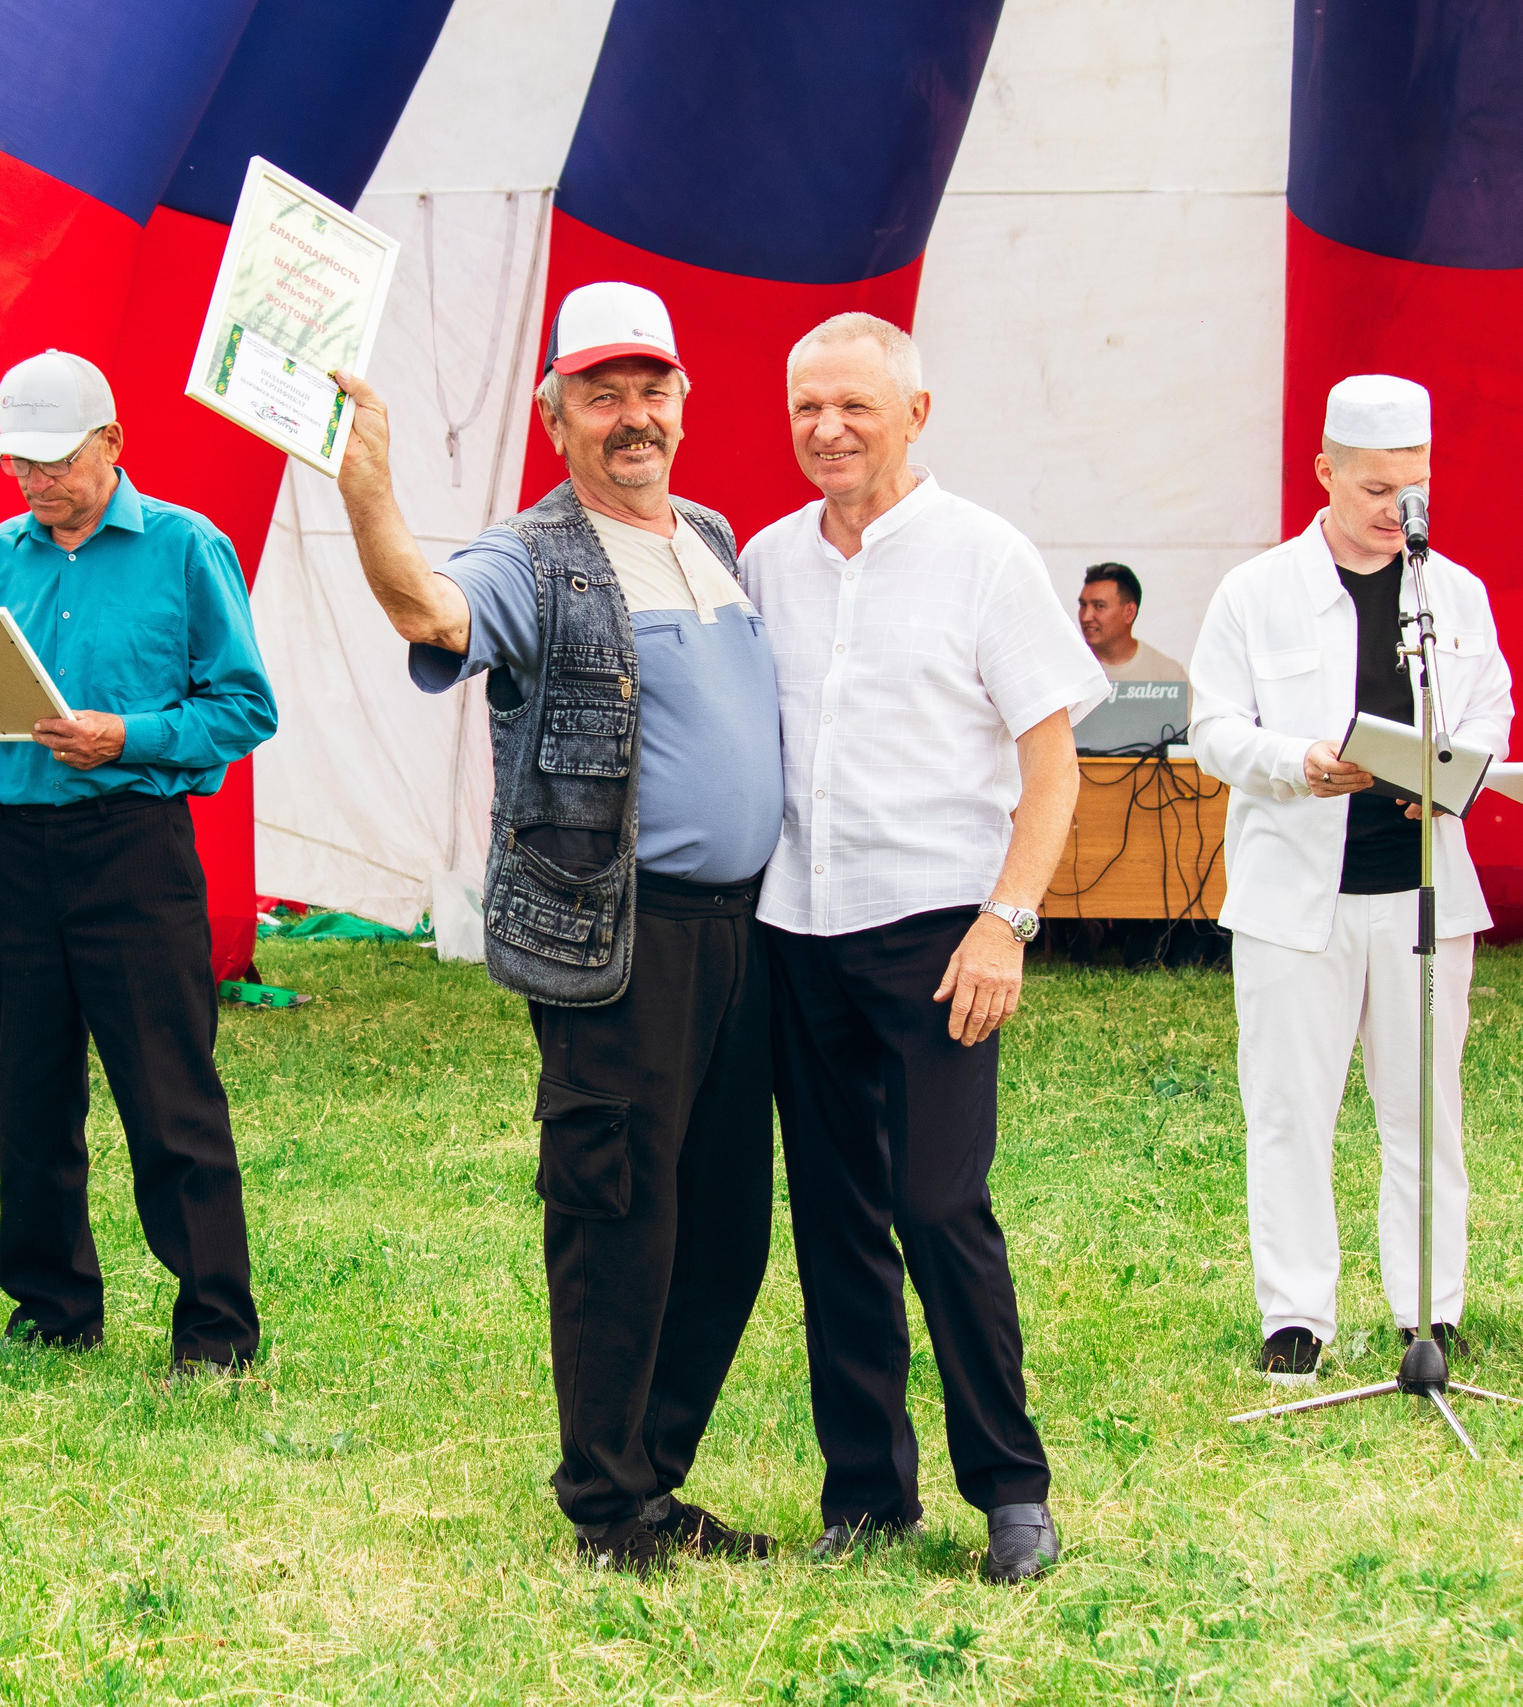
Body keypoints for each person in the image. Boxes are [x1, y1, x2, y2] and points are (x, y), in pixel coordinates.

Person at [332, 282, 783, 1574]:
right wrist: (370, 492)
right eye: (602, 393)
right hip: (617, 939)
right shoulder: (531, 554)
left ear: (684, 401)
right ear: (555, 414)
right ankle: (606, 1505)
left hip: (741, 935)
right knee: (616, 1213)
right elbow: (433, 610)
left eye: (651, 387)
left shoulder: (712, 532)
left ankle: (655, 1473)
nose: (631, 414)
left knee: (727, 1221)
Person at [740, 312, 1094, 1582]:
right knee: (833, 1219)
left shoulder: (985, 556)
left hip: (939, 934)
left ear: (916, 413)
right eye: (804, 408)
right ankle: (867, 1495)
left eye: (854, 406)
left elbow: (1052, 761)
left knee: (939, 1204)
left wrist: (1006, 921)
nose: (826, 430)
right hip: (796, 934)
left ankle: (1011, 1490)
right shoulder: (765, 562)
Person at [0, 350, 274, 1379]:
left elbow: (244, 708)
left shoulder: (187, 549)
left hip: (133, 847)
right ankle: (51, 1310)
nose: (34, 480)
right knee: (32, 1093)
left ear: (112, 445)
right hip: (15, 850)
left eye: (54, 460)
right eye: (18, 462)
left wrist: (126, 737)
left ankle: (215, 1330)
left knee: (167, 1092)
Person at [1190, 374, 1514, 1386]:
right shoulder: (1254, 590)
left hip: (1421, 893)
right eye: (1375, 489)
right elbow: (1212, 731)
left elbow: (1492, 713)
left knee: (1424, 1107)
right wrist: (1297, 763)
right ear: (1324, 471)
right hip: (1297, 897)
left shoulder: (1453, 591)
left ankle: (1430, 1309)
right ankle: (1296, 1314)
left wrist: (1454, 778)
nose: (1395, 511)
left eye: (1412, 489)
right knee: (1289, 1107)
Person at [1077, 563, 1188, 682]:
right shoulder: (1065, 670)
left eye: (1099, 606)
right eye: (1083, 605)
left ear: (1129, 612)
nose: (1085, 617)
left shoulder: (1169, 676)